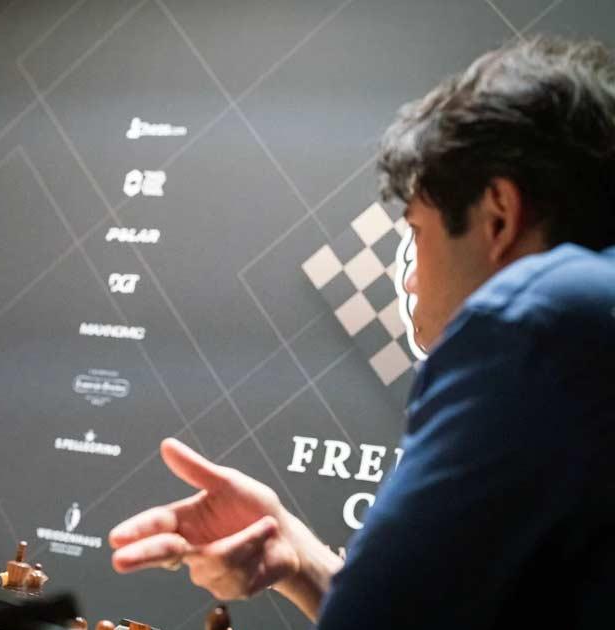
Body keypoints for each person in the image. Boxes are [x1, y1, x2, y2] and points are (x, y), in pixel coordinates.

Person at [108, 37, 615, 628]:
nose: (412, 281)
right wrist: (300, 558)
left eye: (418, 233)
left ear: (498, 215)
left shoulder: (534, 322)